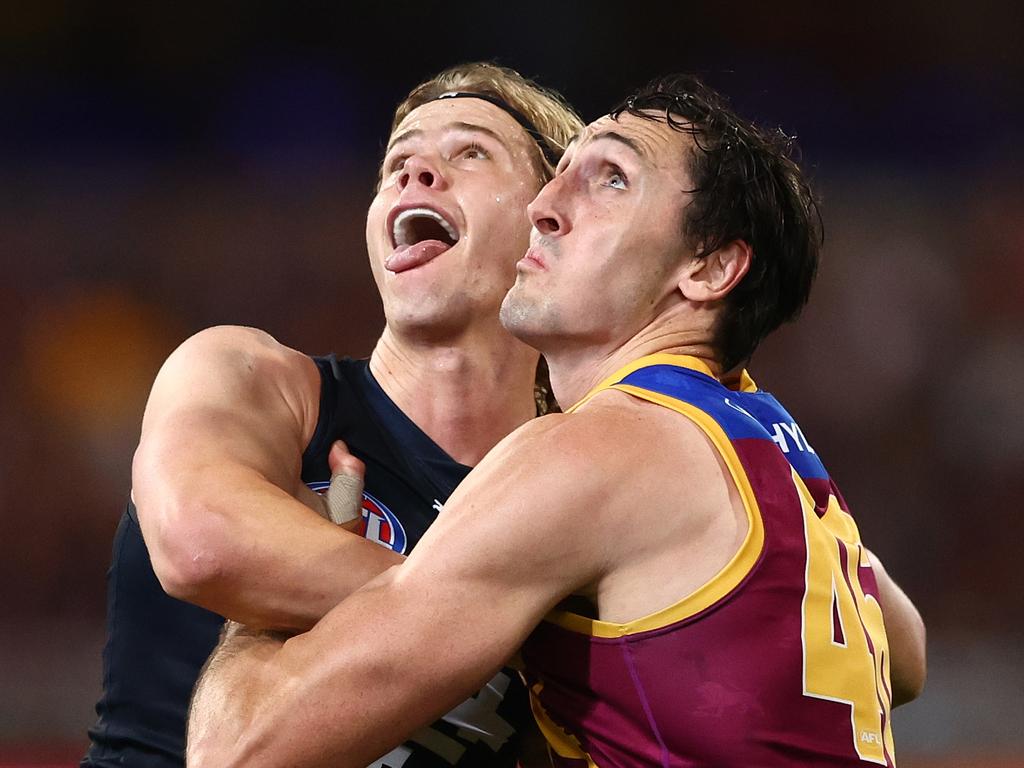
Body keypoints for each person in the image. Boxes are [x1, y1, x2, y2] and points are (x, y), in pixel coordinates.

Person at [186, 74, 926, 768]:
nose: (546, 205)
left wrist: (269, 598)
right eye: (562, 168)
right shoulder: (768, 439)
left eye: (611, 179)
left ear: (707, 270)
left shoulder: (600, 450)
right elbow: (908, 649)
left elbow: (238, 749)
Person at [80, 62, 583, 768]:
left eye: (470, 152)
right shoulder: (253, 380)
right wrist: (522, 638)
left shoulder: (581, 484)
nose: (416, 174)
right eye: (397, 162)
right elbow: (202, 543)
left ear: (554, 222)